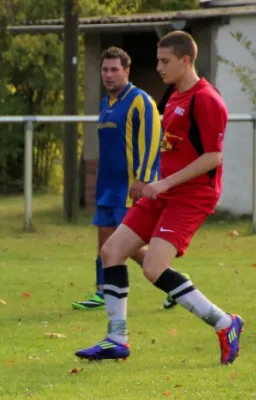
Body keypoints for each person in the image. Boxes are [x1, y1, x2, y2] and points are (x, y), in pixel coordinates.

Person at [75, 31, 244, 365]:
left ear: (185, 60)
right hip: (164, 191)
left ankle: (225, 323)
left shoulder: (206, 99)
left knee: (153, 268)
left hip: (191, 197)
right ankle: (116, 338)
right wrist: (155, 182)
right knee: (111, 251)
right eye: (157, 60)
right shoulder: (174, 96)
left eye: (165, 61)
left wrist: (164, 183)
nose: (158, 67)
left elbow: (213, 157)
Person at [71, 46, 188, 311]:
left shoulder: (140, 100)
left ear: (126, 71)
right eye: (105, 69)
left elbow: (151, 140)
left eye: (114, 69)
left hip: (130, 187)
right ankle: (102, 291)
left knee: (126, 245)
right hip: (107, 186)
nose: (108, 75)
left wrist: (144, 179)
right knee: (104, 237)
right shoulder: (106, 103)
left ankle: (173, 282)